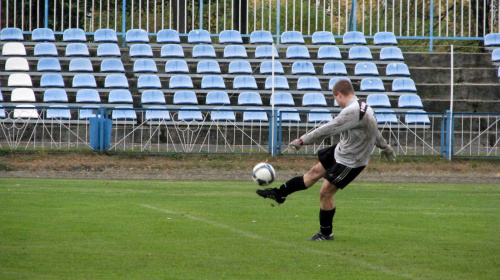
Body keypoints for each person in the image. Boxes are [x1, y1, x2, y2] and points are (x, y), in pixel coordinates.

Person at [256, 79, 396, 241]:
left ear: (339, 95)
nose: (337, 103)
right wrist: (385, 147)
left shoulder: (352, 111)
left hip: (351, 161)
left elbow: (327, 130)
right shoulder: (363, 107)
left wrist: (301, 141)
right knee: (313, 173)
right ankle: (280, 194)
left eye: (335, 99)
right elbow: (374, 130)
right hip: (342, 150)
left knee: (325, 193)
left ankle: (326, 233)